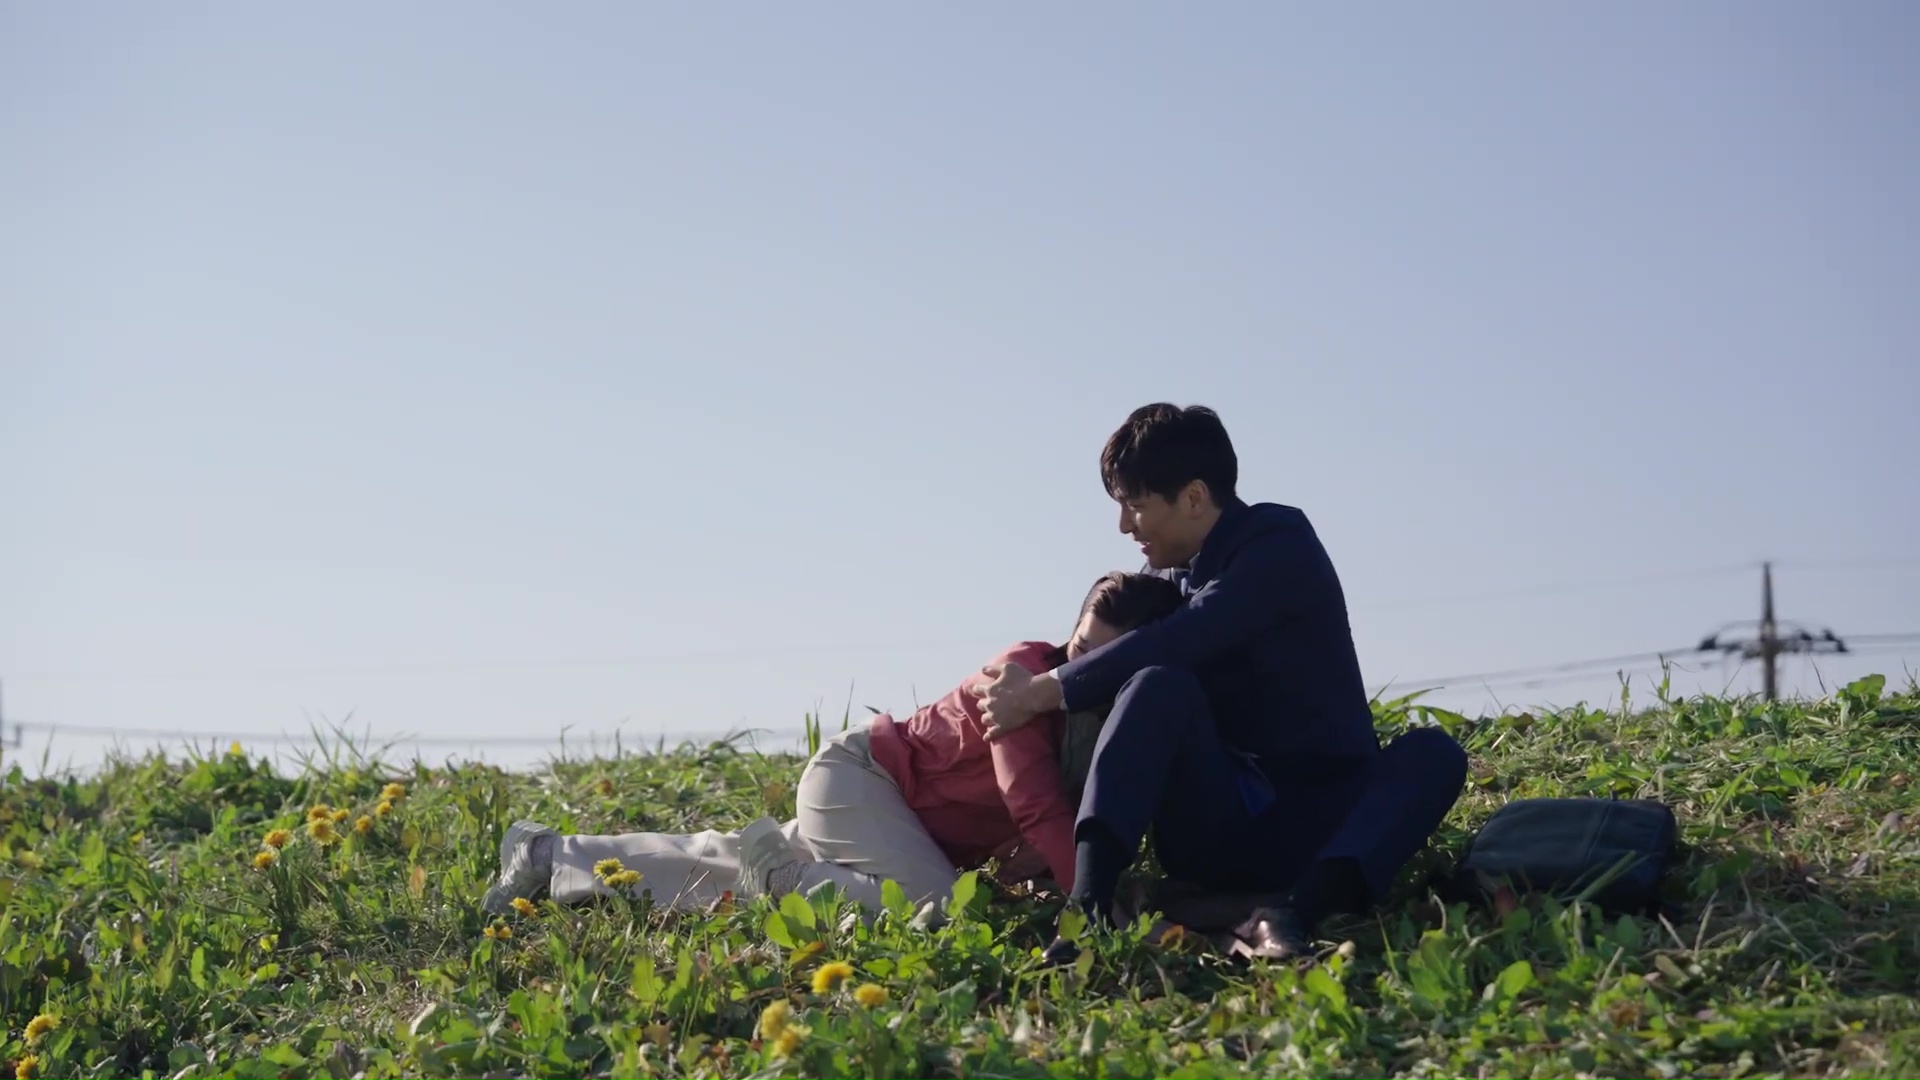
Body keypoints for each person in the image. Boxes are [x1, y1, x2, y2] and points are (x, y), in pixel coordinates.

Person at [972, 403, 1470, 958]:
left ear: (1193, 498)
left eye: (1136, 506)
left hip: (1322, 819)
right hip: (1215, 823)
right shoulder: (1161, 578)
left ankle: (1293, 914)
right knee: (1155, 686)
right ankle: (1088, 909)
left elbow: (1191, 631)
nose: (1124, 526)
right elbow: (1128, 665)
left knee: (1434, 753)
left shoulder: (1279, 546)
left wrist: (1044, 691)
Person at [481, 571, 1185, 918]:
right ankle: (786, 876)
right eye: (1079, 646)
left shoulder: (1107, 720)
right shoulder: (1021, 677)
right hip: (862, 781)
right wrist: (1091, 904)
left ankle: (546, 856)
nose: (1079, 666)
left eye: (1101, 660)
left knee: (716, 872)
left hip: (898, 823)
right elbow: (1031, 800)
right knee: (934, 911)